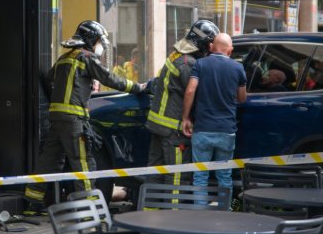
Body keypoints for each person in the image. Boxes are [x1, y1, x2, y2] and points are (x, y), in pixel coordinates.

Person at [23, 20, 144, 212]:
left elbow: (49, 79)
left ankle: (32, 203)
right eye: (97, 41)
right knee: (84, 163)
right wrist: (137, 87)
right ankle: (88, 209)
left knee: (49, 160)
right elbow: (109, 79)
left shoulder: (64, 58)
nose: (98, 46)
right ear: (90, 40)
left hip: (56, 118)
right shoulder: (86, 58)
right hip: (74, 120)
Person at [145, 20, 220, 188]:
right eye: (210, 45)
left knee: (155, 173)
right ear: (204, 44)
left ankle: (151, 211)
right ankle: (174, 213)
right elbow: (194, 93)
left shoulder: (176, 55)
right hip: (174, 129)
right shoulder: (188, 64)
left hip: (158, 125)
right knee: (177, 176)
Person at [181, 33, 247, 202]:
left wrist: (185, 118)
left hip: (202, 130)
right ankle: (224, 214)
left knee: (200, 176)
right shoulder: (238, 68)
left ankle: (200, 216)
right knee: (224, 176)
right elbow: (242, 98)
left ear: (211, 47)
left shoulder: (201, 64)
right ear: (230, 51)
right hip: (226, 131)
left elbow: (190, 91)